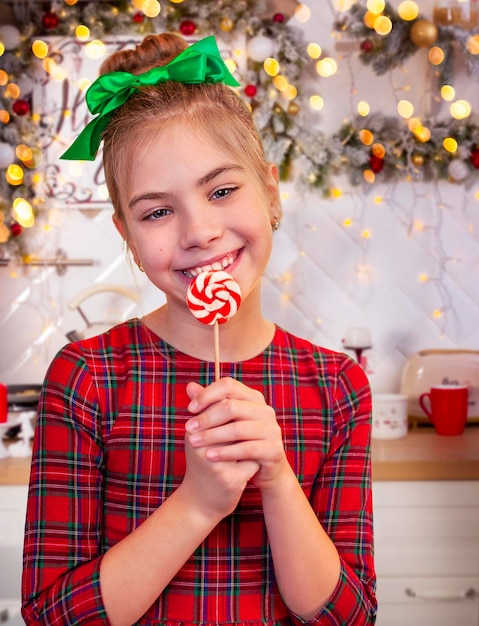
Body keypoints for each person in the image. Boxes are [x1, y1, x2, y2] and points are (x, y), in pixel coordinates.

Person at [22, 34, 377, 626]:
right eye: (158, 211)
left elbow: (349, 616)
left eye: (221, 190)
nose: (199, 231)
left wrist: (277, 477)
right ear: (128, 236)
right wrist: (198, 503)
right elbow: (53, 616)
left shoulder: (337, 386)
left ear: (270, 191)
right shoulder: (87, 379)